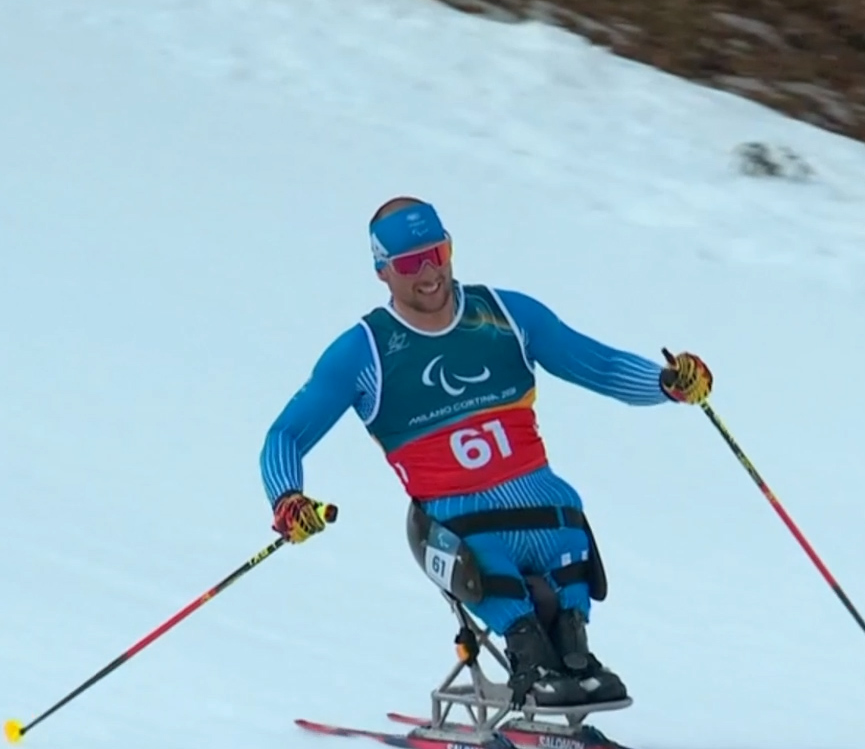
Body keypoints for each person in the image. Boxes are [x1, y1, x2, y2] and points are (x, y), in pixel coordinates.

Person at [258, 196, 713, 708]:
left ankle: (575, 649)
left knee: (567, 530)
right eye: (409, 263)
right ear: (382, 272)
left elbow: (599, 365)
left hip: (541, 502)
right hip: (454, 521)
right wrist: (287, 499)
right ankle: (527, 655)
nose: (429, 272)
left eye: (438, 252)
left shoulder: (505, 315)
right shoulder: (364, 351)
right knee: (488, 559)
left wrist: (666, 384)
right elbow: (286, 436)